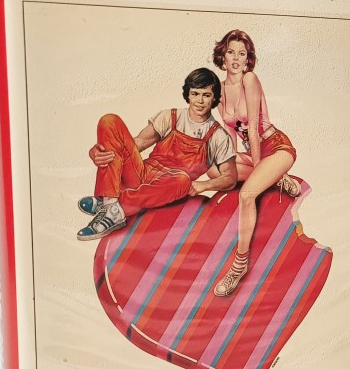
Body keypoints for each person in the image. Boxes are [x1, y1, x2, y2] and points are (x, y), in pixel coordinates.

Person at [77, 68, 237, 241]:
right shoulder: (170, 116)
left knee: (182, 179)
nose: (200, 101)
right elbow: (137, 143)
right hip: (141, 174)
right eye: (195, 94)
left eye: (206, 95)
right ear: (188, 94)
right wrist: (99, 150)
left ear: (214, 98)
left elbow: (230, 177)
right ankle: (109, 201)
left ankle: (115, 207)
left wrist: (204, 185)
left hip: (169, 186)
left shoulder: (218, 136)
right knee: (109, 120)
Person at [211, 30, 299, 297]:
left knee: (247, 195)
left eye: (242, 53)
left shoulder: (249, 79)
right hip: (254, 154)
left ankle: (239, 265)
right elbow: (230, 135)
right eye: (231, 52)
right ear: (222, 57)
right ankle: (276, 178)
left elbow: (251, 129)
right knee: (214, 167)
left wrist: (257, 168)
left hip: (276, 147)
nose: (236, 58)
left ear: (248, 59)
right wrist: (228, 167)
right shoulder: (219, 90)